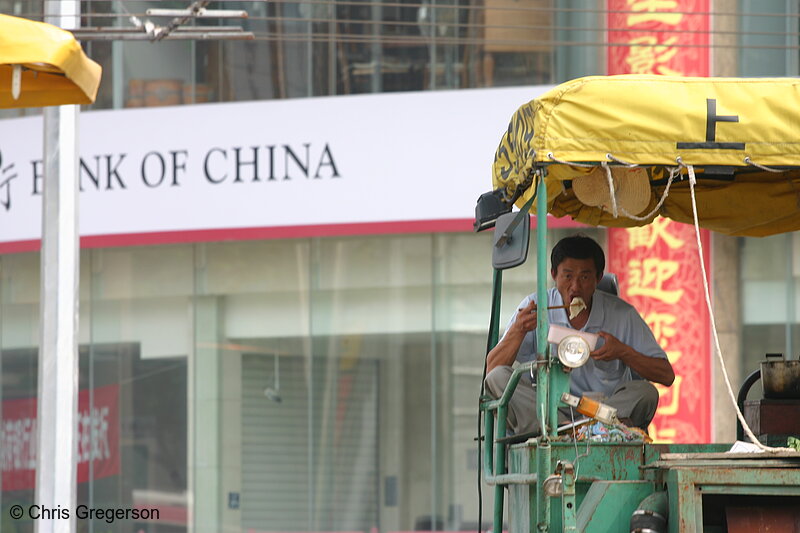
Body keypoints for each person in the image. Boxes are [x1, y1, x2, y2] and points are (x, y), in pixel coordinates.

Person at [484, 234, 674, 435]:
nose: (575, 287)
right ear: (554, 275)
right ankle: (567, 430)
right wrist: (518, 331)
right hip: (550, 412)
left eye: (584, 277)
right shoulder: (536, 307)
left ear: (598, 278)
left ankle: (593, 429)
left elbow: (666, 375)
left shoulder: (622, 314)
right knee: (499, 378)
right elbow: (492, 370)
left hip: (606, 411)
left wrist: (623, 352)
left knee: (645, 391)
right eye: (567, 276)